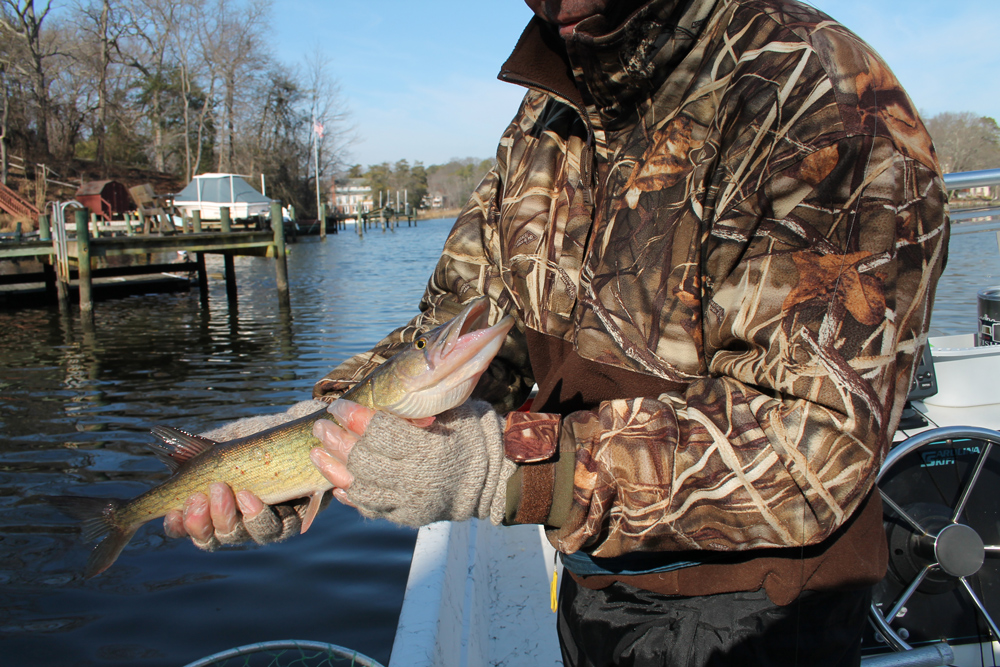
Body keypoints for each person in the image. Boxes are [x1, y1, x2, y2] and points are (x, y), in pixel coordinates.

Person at [167, 0, 949, 664]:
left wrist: (521, 471)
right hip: (593, 591)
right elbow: (468, 329)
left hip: (771, 611)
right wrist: (318, 438)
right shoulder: (545, 118)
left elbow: (819, 439)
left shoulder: (821, 94)